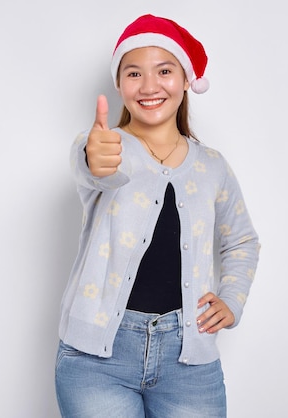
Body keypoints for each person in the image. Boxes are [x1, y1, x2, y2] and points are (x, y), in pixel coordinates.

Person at [55, 14, 260, 418]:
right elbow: (92, 164)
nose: (149, 86)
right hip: (97, 361)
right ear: (119, 84)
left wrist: (232, 299)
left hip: (188, 364)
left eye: (164, 71)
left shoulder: (213, 166)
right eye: (134, 73)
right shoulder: (108, 146)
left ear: (185, 79)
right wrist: (94, 156)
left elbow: (241, 240)